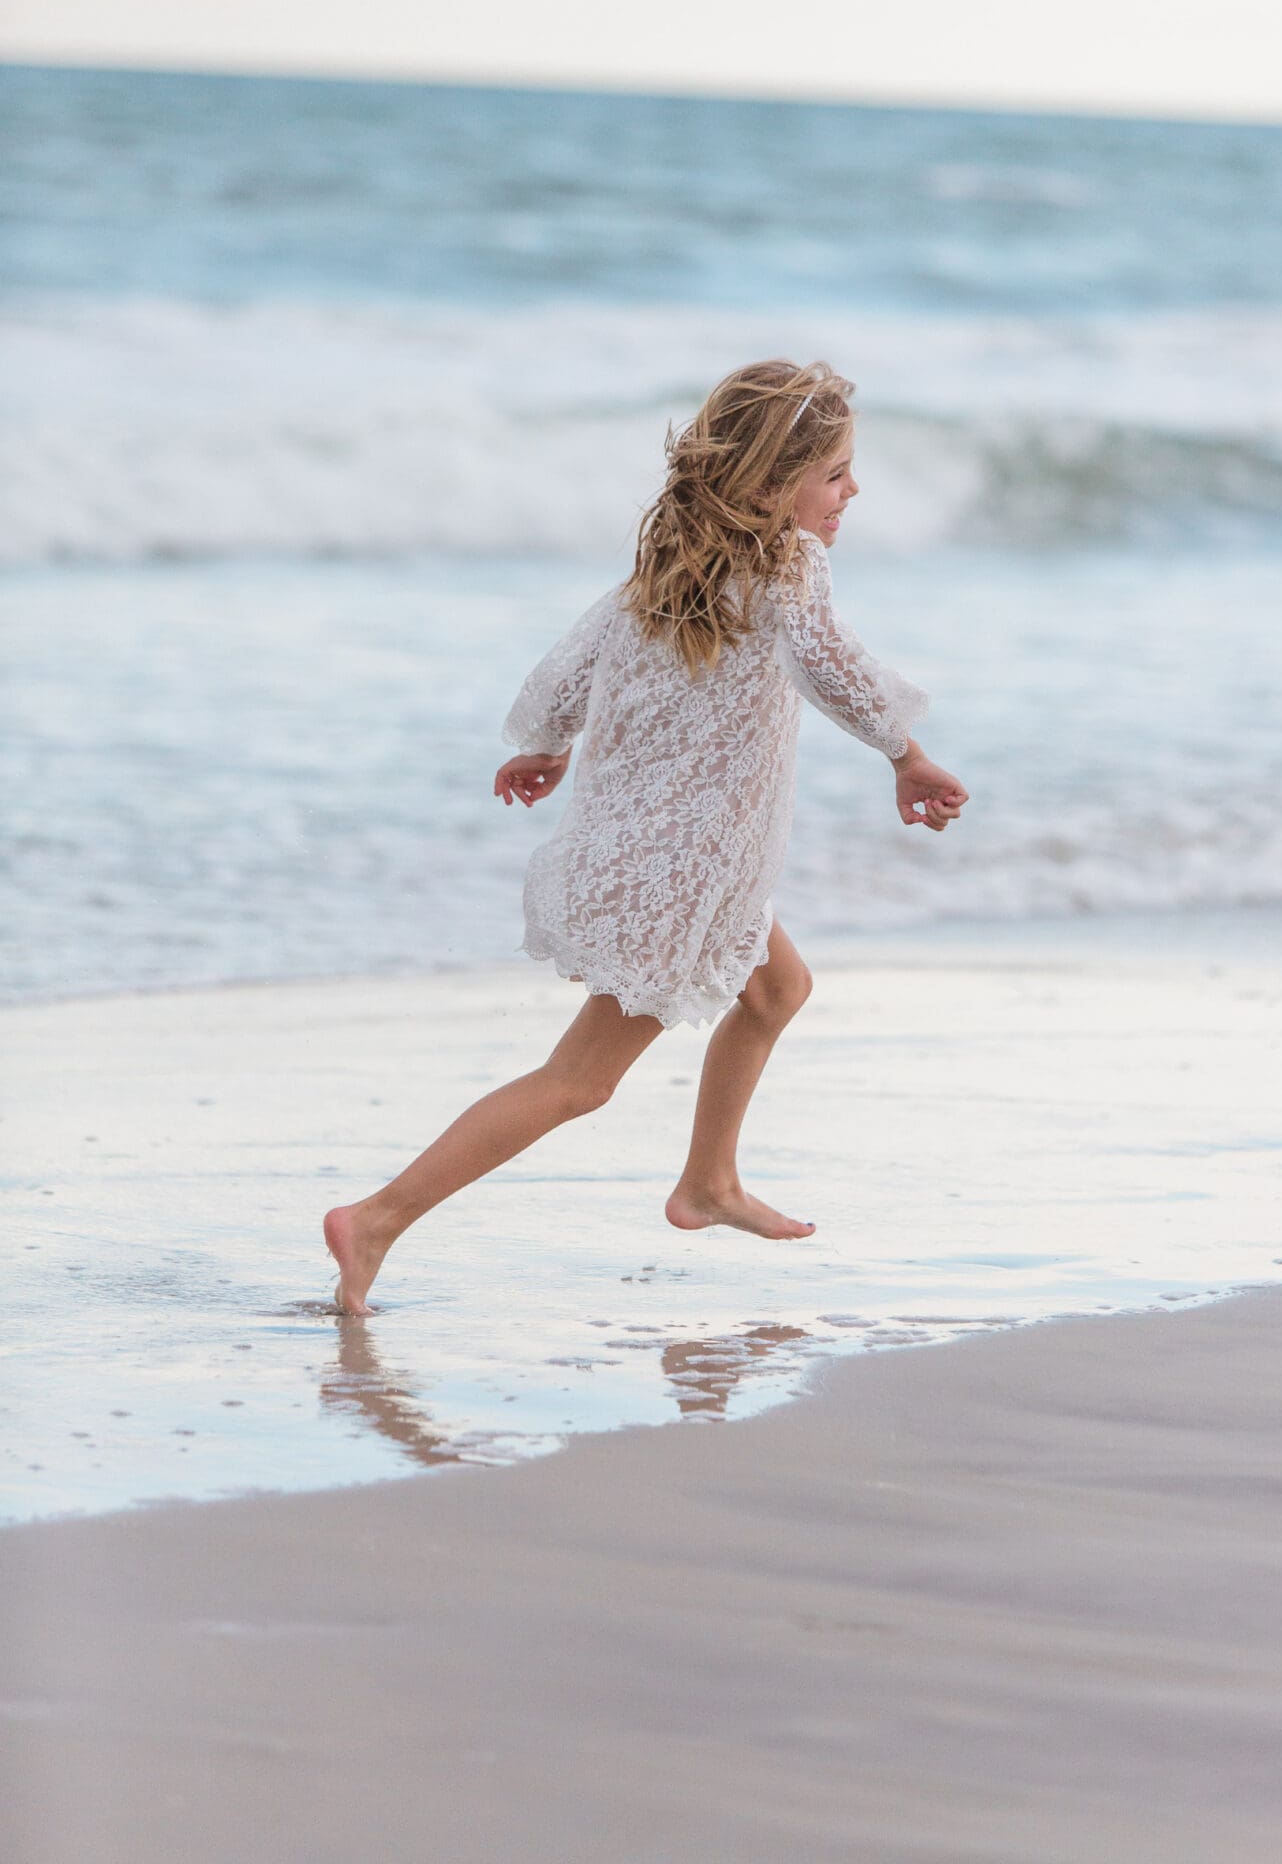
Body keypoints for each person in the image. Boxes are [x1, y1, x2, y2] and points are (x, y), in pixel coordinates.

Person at [324, 359, 967, 1315]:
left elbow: (569, 666)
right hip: (684, 870)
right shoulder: (789, 567)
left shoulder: (674, 563)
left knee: (777, 987)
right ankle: (376, 1217)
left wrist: (546, 745)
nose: (852, 491)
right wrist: (905, 755)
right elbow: (833, 667)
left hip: (667, 855)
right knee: (578, 1083)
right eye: (833, 473)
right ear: (765, 483)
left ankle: (708, 1184)